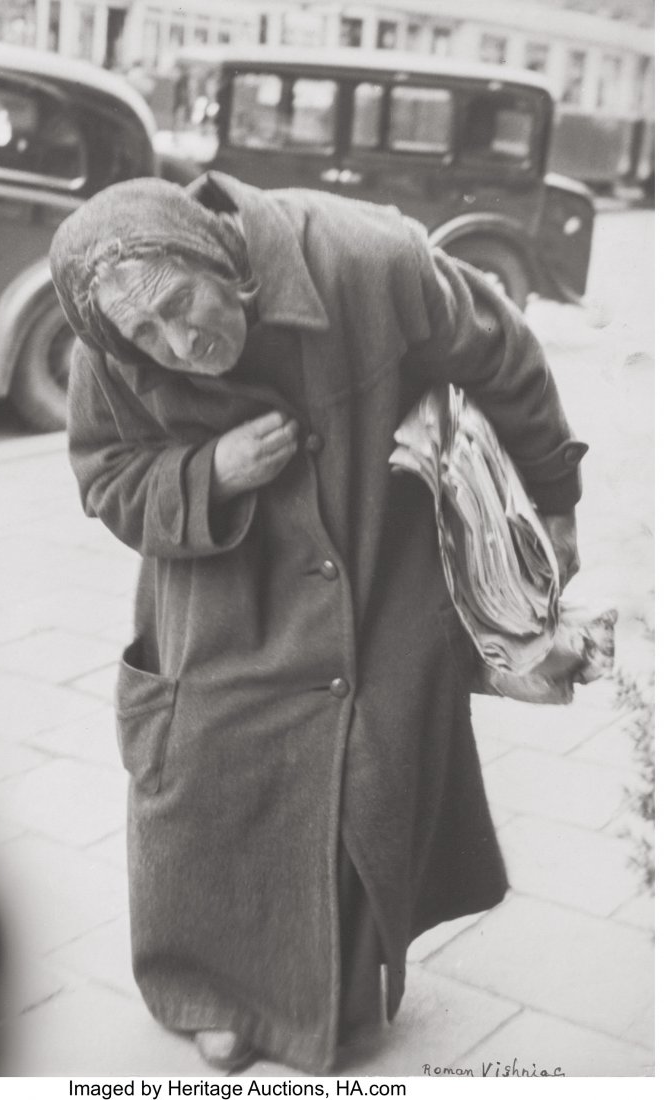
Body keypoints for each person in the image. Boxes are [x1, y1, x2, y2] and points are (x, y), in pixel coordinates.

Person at [49, 172, 585, 1074]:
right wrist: (209, 471)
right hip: (221, 598)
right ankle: (209, 987)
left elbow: (505, 354)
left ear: (215, 254)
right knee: (204, 778)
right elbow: (105, 479)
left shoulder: (369, 259)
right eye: (148, 332)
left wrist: (557, 499)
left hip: (378, 567)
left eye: (183, 304)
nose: (178, 343)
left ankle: (318, 996)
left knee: (362, 772)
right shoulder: (106, 348)